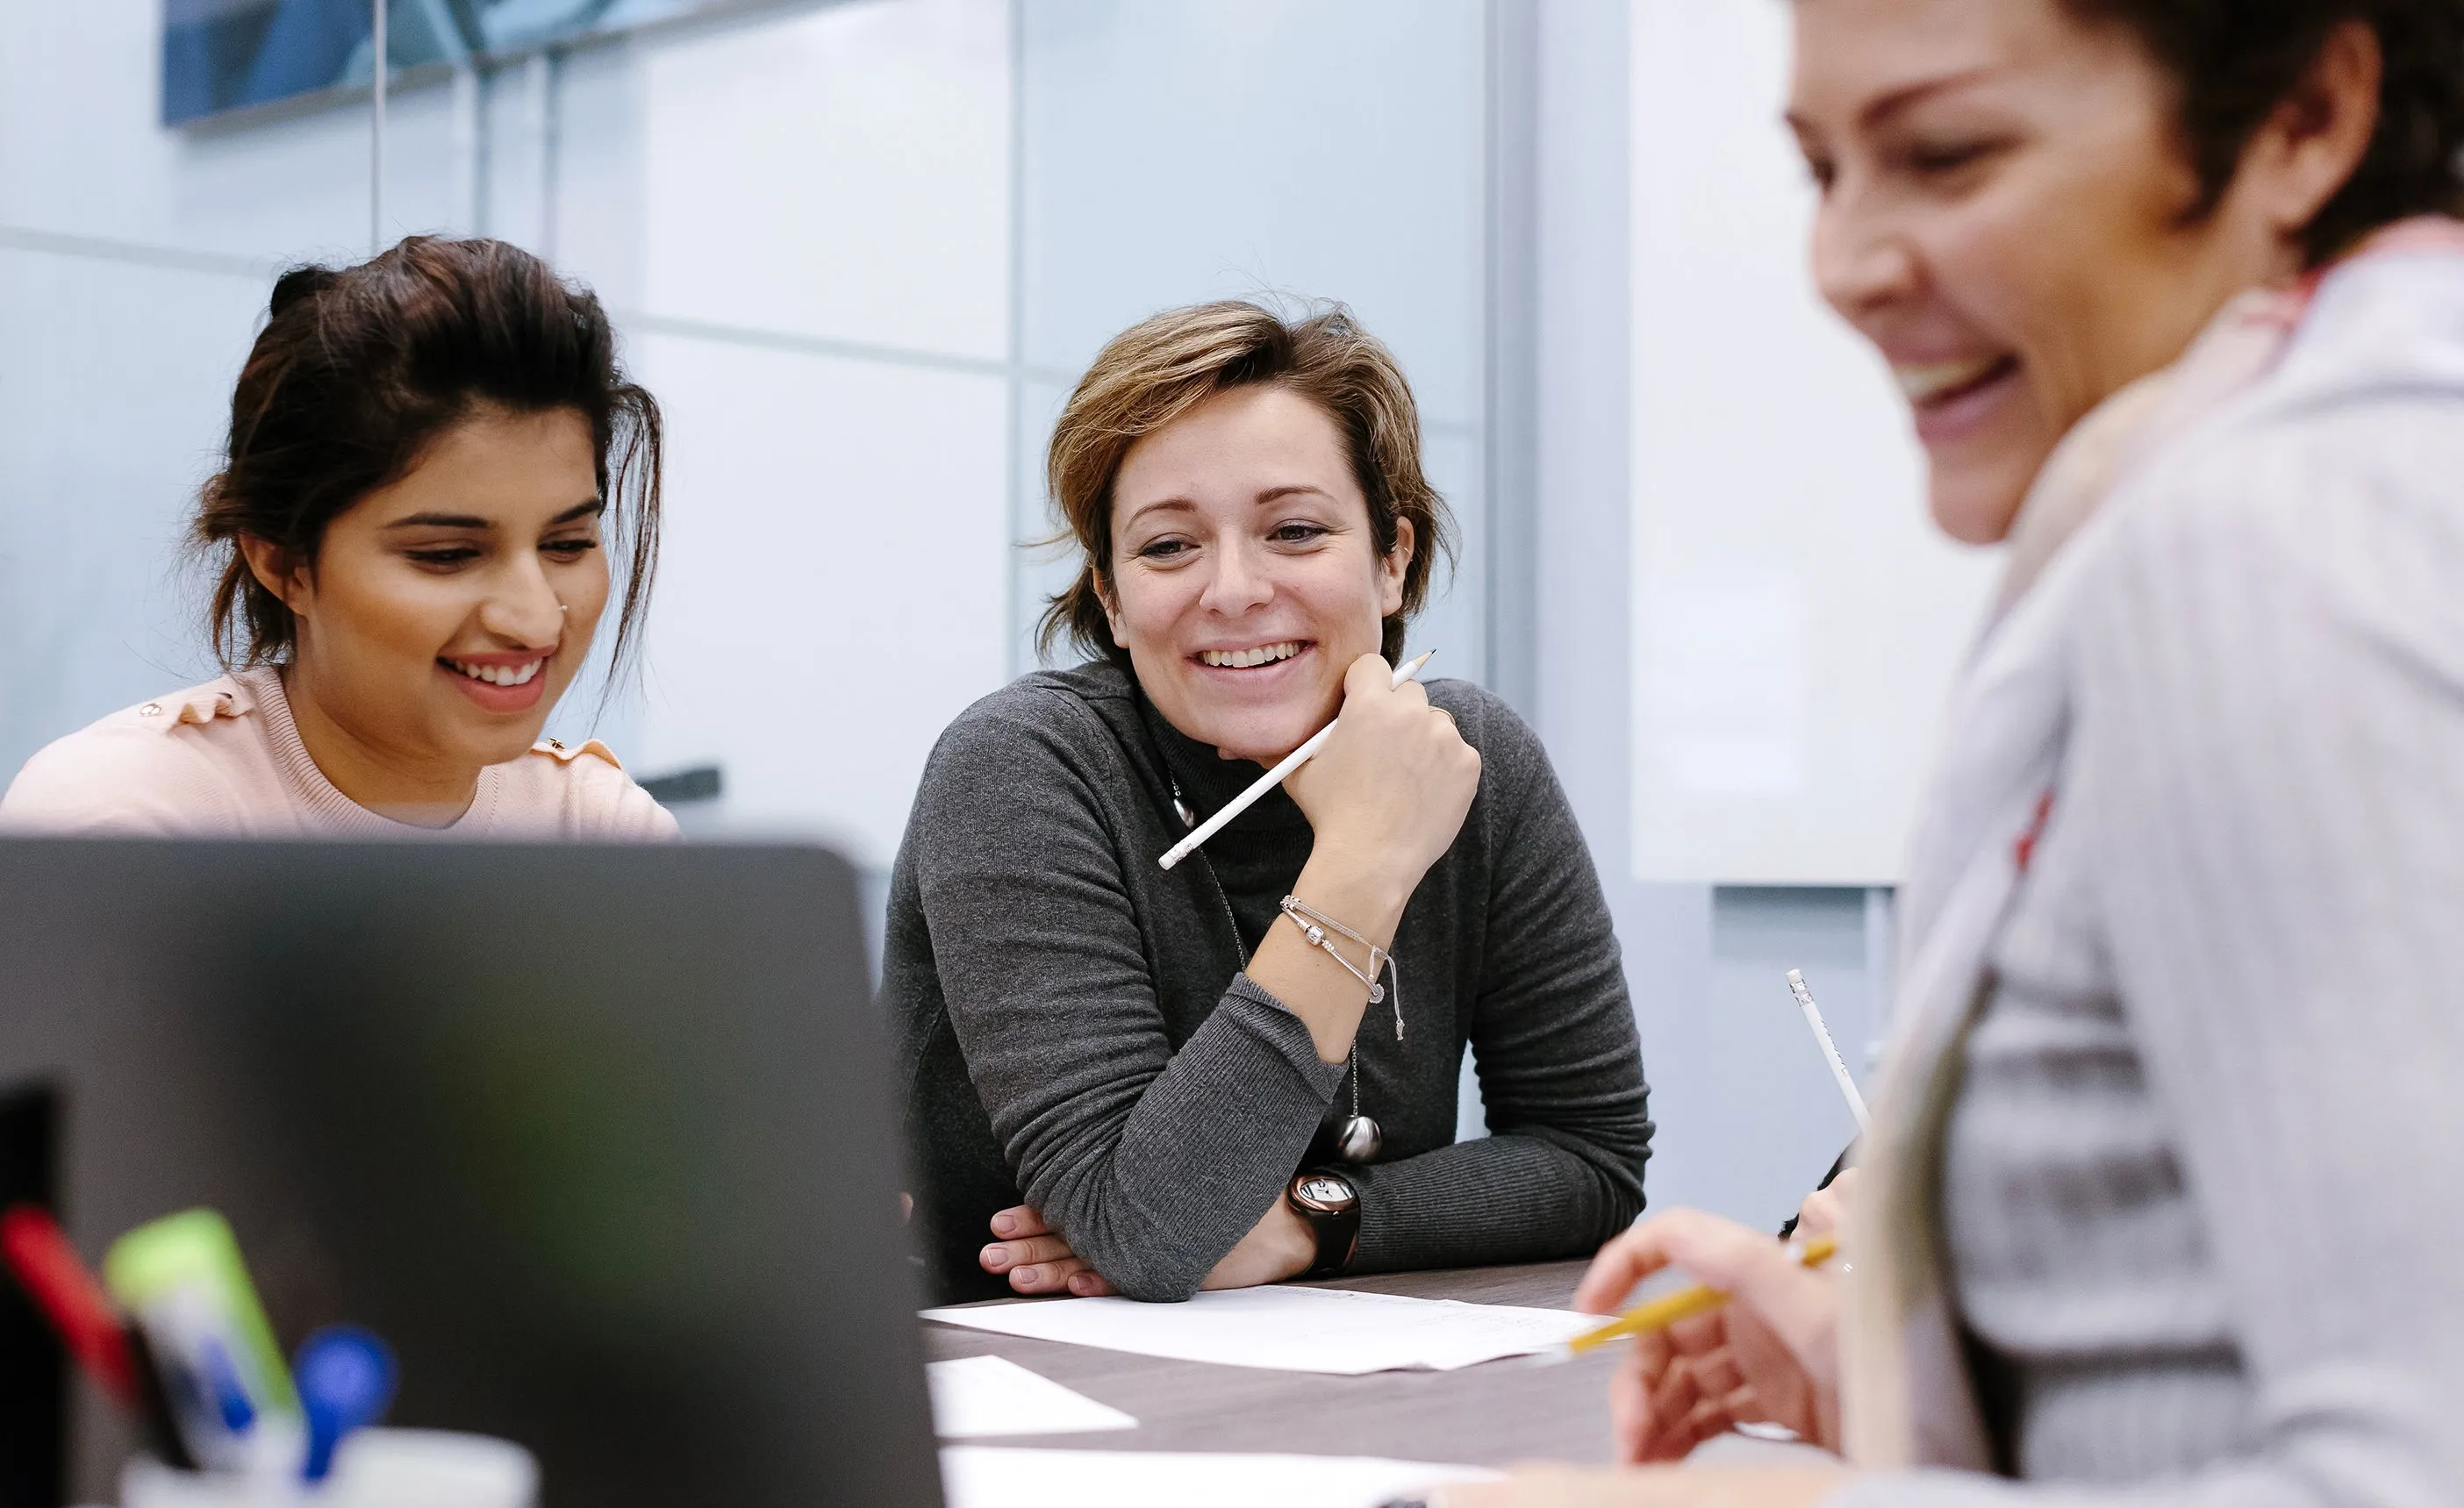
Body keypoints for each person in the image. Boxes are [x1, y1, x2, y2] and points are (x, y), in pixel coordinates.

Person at [1448, 0, 2464, 1503]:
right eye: (1818, 171)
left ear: (2303, 116)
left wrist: (1803, 1503)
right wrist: (1927, 1379)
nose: (1843, 265)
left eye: (1943, 154)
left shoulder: (2279, 536)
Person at [887, 301, 1652, 1303]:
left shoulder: (1473, 761)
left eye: (1294, 530)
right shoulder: (1018, 770)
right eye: (1167, 548)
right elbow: (1147, 1232)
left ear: (1393, 560)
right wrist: (1365, 860)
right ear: (1111, 599)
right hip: (1012, 1399)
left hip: (1329, 1380)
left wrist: (1311, 1221)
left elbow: (1592, 1161)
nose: (1235, 590)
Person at [0, 236, 676, 840]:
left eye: (567, 544)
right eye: (447, 555)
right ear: (281, 559)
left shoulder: (601, 832)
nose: (532, 619)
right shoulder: (119, 820)